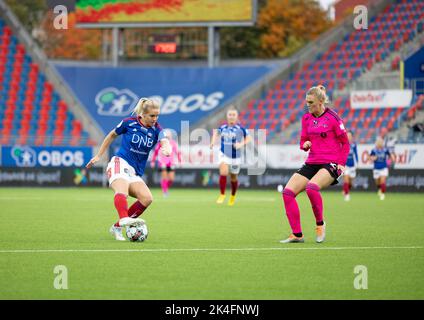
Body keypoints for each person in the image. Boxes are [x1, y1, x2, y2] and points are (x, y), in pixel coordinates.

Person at [85, 98, 171, 241]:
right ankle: (124, 218)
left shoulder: (157, 129)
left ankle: (117, 226)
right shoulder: (129, 122)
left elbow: (165, 140)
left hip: (134, 171)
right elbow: (112, 135)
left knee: (147, 198)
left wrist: (166, 148)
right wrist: (99, 155)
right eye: (152, 115)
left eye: (157, 115)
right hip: (120, 162)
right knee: (122, 191)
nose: (155, 119)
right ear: (143, 114)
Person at [280, 85, 349, 243]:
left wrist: (341, 163)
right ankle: (297, 234)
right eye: (306, 102)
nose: (308, 105)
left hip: (330, 162)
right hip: (312, 161)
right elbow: (303, 139)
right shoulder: (306, 118)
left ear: (320, 101)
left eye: (311, 102)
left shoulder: (333, 118)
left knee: (312, 188)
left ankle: (320, 224)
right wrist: (305, 145)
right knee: (288, 193)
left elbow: (345, 144)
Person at [210, 107, 251, 206]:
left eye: (233, 115)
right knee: (223, 172)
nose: (232, 117)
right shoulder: (223, 128)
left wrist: (240, 144)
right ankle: (222, 194)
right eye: (230, 115)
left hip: (235, 156)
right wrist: (212, 142)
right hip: (224, 153)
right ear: (227, 116)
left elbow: (248, 138)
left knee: (233, 177)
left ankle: (232, 196)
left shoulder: (241, 129)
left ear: (237, 117)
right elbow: (216, 133)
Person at [150, 130, 181, 197]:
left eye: (169, 135)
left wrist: (180, 161)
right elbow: (155, 152)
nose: (168, 136)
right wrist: (153, 161)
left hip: (171, 163)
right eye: (167, 135)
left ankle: (165, 189)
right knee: (164, 177)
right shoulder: (161, 143)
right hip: (162, 162)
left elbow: (177, 152)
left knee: (171, 179)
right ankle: (165, 191)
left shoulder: (173, 143)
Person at [343, 130, 359, 201]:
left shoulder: (354, 145)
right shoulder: (342, 143)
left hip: (352, 165)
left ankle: (346, 190)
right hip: (345, 165)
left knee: (350, 182)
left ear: (352, 137)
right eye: (347, 135)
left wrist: (357, 163)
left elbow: (356, 154)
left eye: (350, 136)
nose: (348, 137)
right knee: (346, 179)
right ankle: (347, 195)